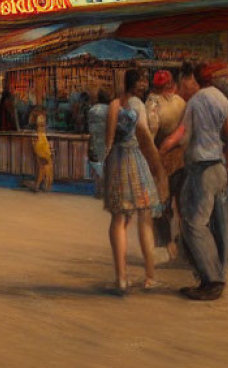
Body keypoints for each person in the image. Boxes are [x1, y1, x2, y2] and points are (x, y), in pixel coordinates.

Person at [160, 62, 228, 301]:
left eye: (185, 79)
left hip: (201, 169)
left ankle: (212, 280)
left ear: (193, 79)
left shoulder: (195, 101)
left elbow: (182, 134)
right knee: (218, 224)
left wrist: (163, 147)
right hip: (218, 166)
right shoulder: (222, 99)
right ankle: (216, 274)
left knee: (193, 224)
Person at [103, 70, 166, 294]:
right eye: (141, 81)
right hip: (136, 161)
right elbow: (146, 138)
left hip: (118, 161)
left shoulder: (113, 105)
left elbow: (108, 141)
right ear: (136, 85)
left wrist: (106, 167)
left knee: (119, 219)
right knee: (145, 217)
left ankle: (121, 278)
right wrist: (158, 167)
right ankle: (150, 276)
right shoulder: (137, 105)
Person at [146, 69, 187, 262]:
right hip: (182, 157)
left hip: (161, 157)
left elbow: (151, 132)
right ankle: (182, 245)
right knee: (182, 203)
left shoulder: (153, 103)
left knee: (161, 203)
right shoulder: (181, 102)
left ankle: (166, 244)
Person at [86, 90, 111, 198]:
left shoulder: (92, 110)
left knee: (97, 168)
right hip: (107, 141)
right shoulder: (111, 110)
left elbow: (89, 127)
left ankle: (98, 191)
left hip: (94, 141)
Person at [31, 106, 54, 192]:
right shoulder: (41, 118)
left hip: (39, 144)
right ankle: (43, 185)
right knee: (45, 165)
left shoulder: (35, 122)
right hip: (42, 144)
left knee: (41, 166)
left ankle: (38, 185)